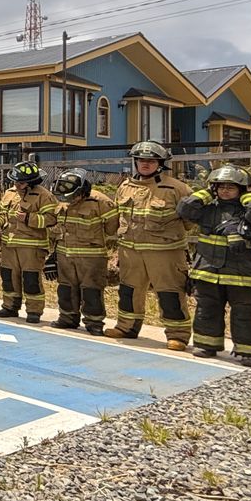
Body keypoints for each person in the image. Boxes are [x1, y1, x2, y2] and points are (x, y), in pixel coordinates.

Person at [179, 165, 251, 364]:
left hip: (243, 273)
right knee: (207, 309)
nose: (225, 190)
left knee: (245, 313)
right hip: (208, 271)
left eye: (231, 187)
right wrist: (208, 192)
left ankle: (248, 352)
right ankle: (207, 345)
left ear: (241, 189)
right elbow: (184, 209)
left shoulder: (250, 211)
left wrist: (247, 197)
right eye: (220, 186)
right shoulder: (208, 209)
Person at [105, 140, 193, 350]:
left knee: (170, 293)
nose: (145, 164)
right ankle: (127, 327)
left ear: (161, 163)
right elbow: (120, 219)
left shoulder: (177, 189)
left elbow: (190, 222)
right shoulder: (125, 187)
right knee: (128, 291)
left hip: (165, 253)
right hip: (130, 251)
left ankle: (178, 335)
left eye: (151, 161)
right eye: (141, 160)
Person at [49, 168, 118, 335]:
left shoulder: (101, 202)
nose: (69, 201)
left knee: (91, 289)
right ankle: (67, 318)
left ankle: (94, 322)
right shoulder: (63, 198)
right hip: (65, 255)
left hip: (91, 257)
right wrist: (54, 255)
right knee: (65, 288)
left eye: (73, 197)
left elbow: (112, 229)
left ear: (82, 191)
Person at [0, 161, 57, 321]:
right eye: (14, 181)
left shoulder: (44, 196)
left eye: (20, 182)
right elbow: (2, 215)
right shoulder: (9, 193)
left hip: (32, 247)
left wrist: (29, 218)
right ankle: (9, 307)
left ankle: (34, 311)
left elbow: (51, 219)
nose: (16, 185)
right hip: (10, 245)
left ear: (31, 183)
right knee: (8, 278)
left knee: (31, 280)